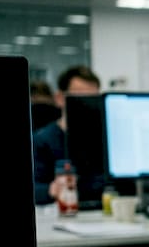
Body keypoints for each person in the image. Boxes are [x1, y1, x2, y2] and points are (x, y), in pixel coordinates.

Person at [32, 65, 101, 205]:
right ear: (60, 98)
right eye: (79, 97)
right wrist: (51, 189)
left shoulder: (101, 138)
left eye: (93, 98)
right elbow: (35, 187)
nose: (87, 104)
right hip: (60, 211)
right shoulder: (42, 140)